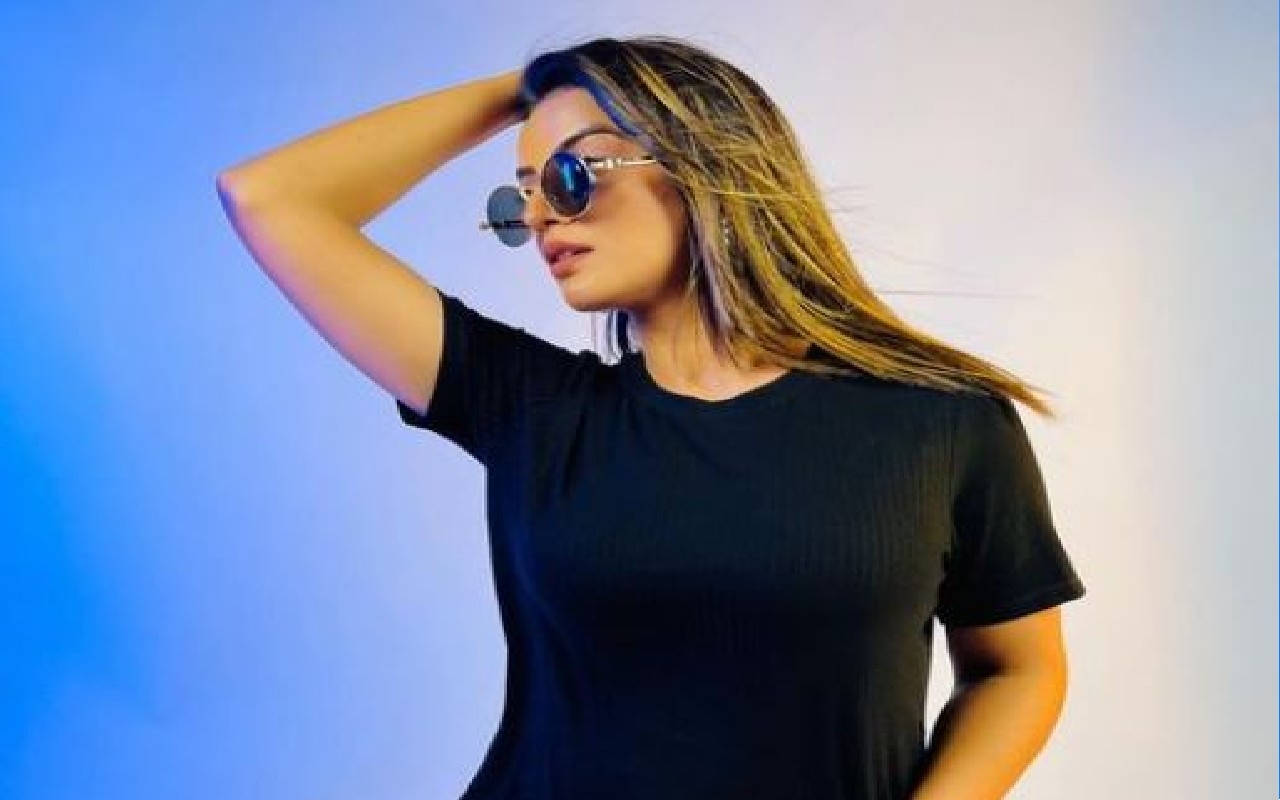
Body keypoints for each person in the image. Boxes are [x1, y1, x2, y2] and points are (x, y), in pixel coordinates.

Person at [217, 34, 1086, 800]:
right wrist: (531, 86)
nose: (540, 216)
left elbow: (1018, 669)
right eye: (521, 198)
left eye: (570, 177)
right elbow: (268, 198)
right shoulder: (529, 406)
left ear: (701, 165)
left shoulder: (941, 424)